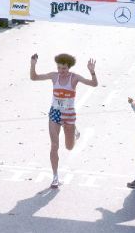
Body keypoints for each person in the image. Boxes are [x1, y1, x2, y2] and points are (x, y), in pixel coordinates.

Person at [30, 53, 98, 188]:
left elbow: (94, 84)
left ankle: (74, 131)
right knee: (54, 145)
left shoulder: (75, 78)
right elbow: (34, 77)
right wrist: (33, 64)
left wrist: (92, 72)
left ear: (69, 67)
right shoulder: (54, 76)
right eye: (59, 68)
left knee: (69, 147)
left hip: (69, 114)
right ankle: (55, 177)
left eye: (64, 68)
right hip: (55, 113)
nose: (61, 71)